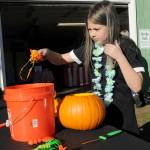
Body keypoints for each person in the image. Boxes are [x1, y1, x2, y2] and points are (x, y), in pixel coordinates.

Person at [38, 1, 144, 135]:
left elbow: (137, 86)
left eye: (97, 29)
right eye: (89, 29)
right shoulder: (90, 48)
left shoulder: (126, 46)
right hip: (96, 115)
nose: (92, 34)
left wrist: (119, 57)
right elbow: (60, 59)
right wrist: (48, 53)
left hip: (123, 118)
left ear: (110, 25)